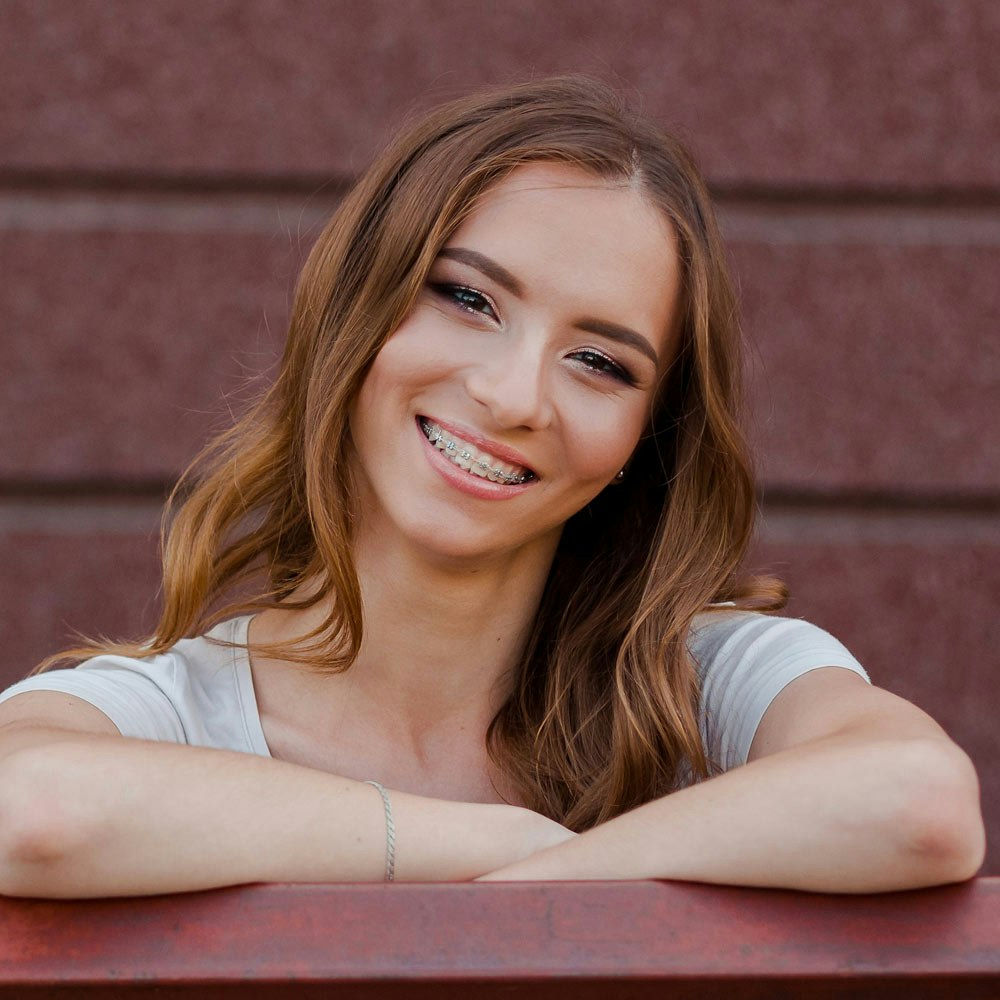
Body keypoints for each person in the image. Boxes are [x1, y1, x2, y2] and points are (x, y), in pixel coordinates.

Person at [0, 77, 984, 899]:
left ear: (645, 438)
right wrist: (482, 845)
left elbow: (918, 803)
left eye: (600, 362)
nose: (513, 396)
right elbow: (31, 810)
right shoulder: (163, 712)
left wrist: (524, 901)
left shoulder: (704, 689)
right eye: (469, 298)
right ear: (360, 303)